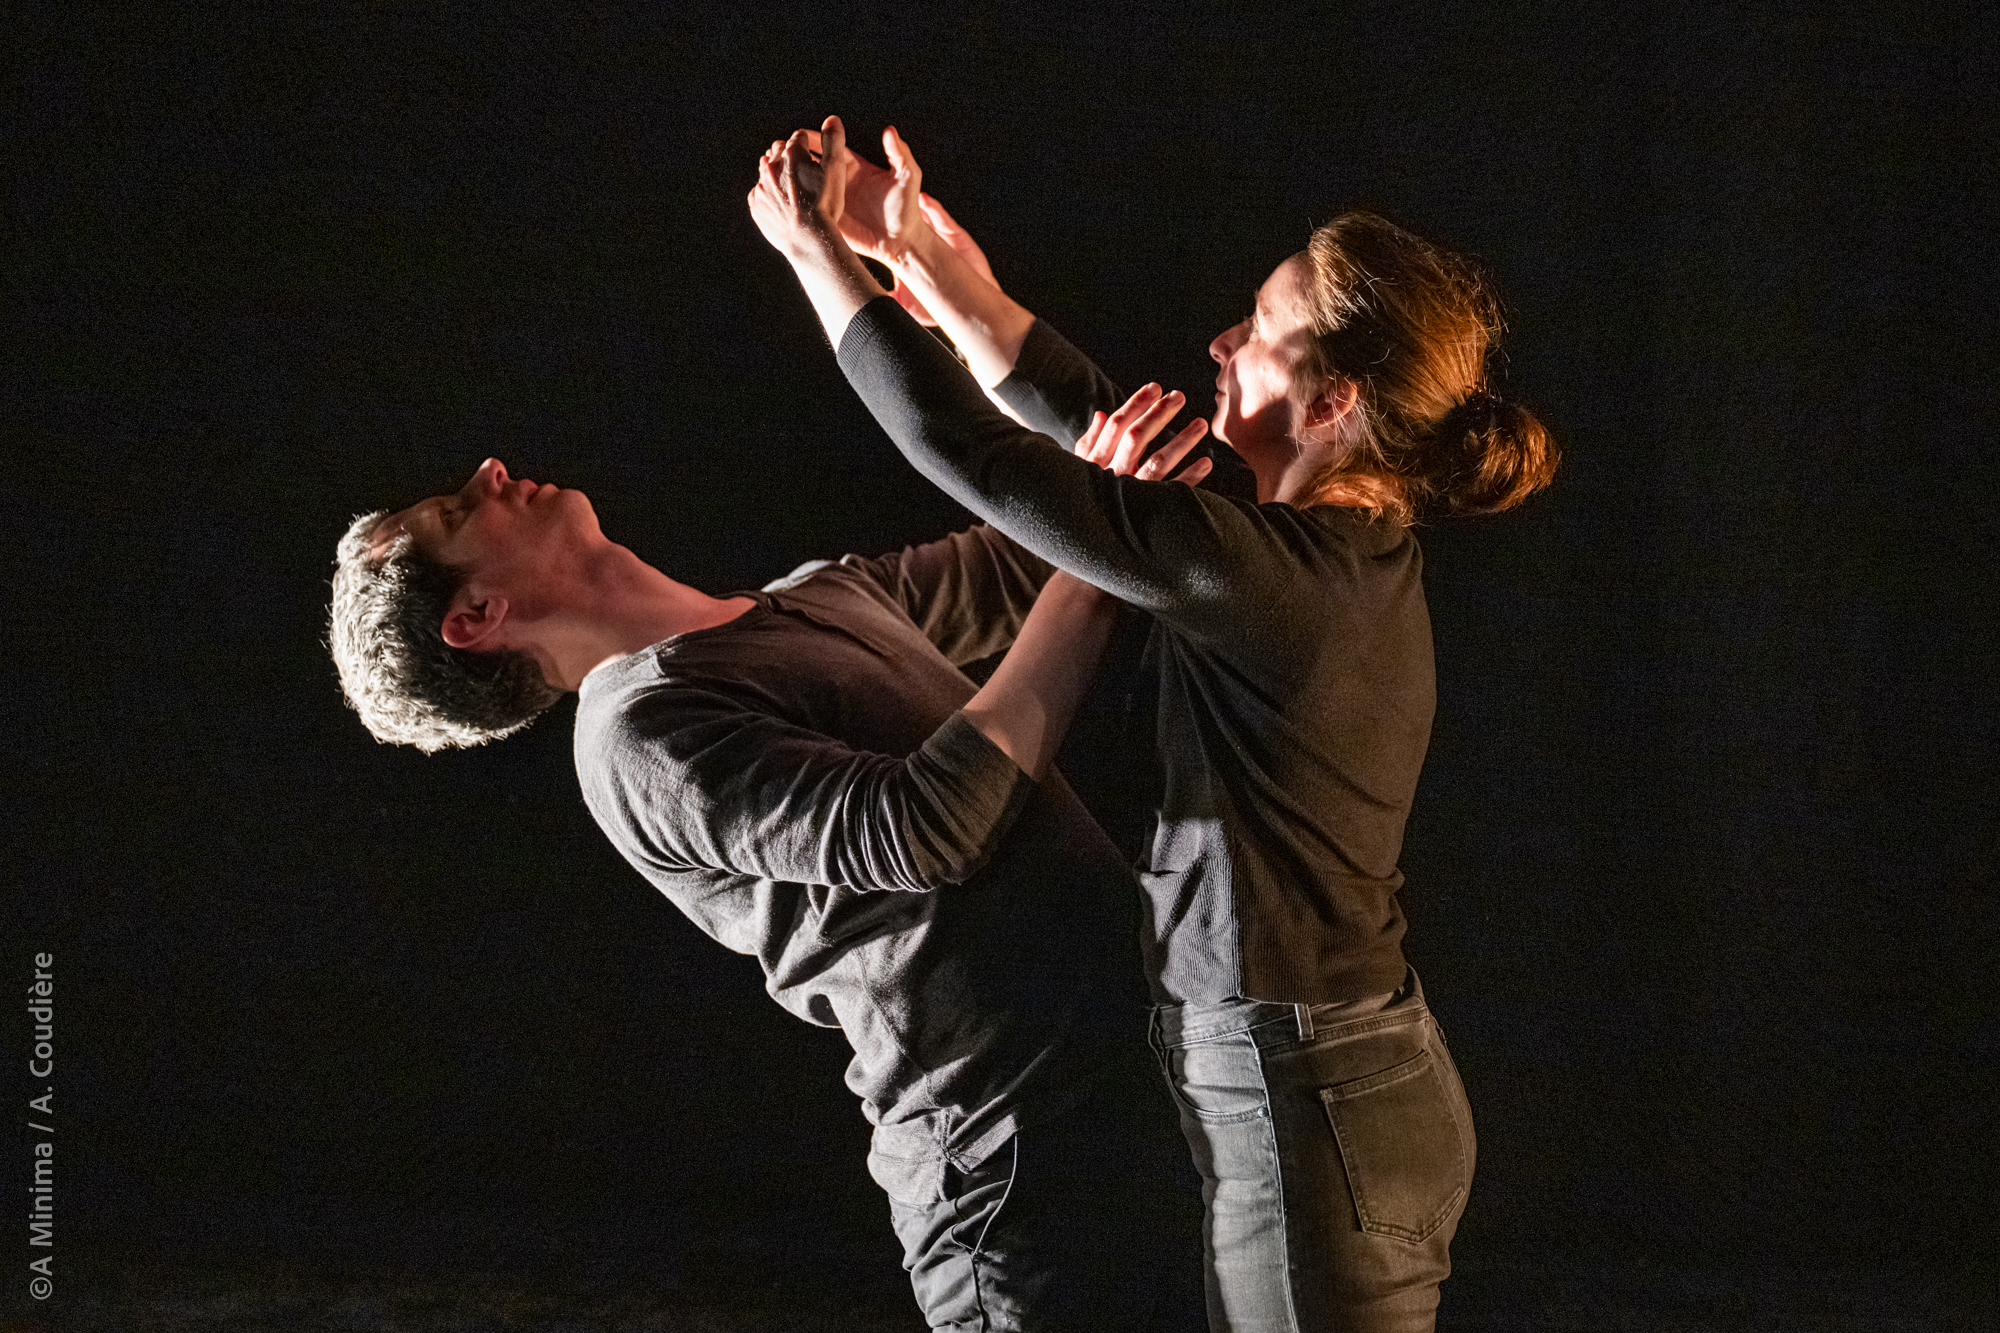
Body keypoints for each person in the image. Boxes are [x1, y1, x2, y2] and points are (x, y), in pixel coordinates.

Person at [752, 117, 1560, 1333]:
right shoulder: (1311, 549)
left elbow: (972, 454)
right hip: (1323, 1082)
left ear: (1333, 399)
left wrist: (818, 260)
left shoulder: (1269, 574)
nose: (1219, 344)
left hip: (1307, 1094)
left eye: (1258, 327)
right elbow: (1081, 413)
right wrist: (907, 247)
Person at [325, 436, 1211, 1330]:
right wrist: (1092, 567)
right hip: (1018, 1169)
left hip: (1145, 1101)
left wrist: (1111, 472)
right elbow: (923, 826)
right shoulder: (638, 734)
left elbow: (1026, 562)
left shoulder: (813, 596)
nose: (487, 472)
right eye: (455, 513)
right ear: (477, 614)